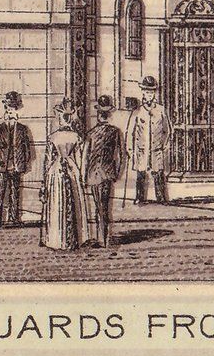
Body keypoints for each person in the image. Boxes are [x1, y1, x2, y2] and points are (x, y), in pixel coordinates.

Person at [38, 100, 90, 251]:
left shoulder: (53, 137)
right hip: (72, 170)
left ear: (60, 117)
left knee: (57, 204)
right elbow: (80, 159)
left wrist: (44, 182)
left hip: (56, 172)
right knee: (73, 201)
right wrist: (80, 175)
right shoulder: (76, 137)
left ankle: (56, 239)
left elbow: (48, 162)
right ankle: (75, 238)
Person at [83, 95, 125, 247]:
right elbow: (121, 156)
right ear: (109, 114)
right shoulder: (115, 132)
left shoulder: (90, 134)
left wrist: (83, 176)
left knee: (98, 205)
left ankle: (102, 237)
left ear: (99, 115)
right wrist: (117, 173)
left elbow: (85, 158)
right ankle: (103, 236)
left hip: (94, 174)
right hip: (107, 174)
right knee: (104, 206)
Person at [0, 91, 34, 230]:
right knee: (0, 194)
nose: (10, 111)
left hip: (16, 166)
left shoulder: (22, 129)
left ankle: (14, 219)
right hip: (2, 166)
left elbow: (27, 149)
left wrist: (24, 163)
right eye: (8, 108)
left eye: (13, 108)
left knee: (15, 193)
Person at [126, 76, 170, 205]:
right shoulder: (137, 111)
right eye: (147, 92)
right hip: (141, 149)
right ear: (143, 92)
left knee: (158, 173)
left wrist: (164, 146)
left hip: (156, 149)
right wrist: (130, 149)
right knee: (141, 174)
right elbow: (130, 132)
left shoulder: (161, 110)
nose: (149, 95)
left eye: (151, 92)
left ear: (154, 93)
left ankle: (161, 198)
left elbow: (167, 130)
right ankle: (140, 197)